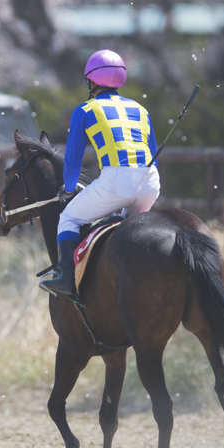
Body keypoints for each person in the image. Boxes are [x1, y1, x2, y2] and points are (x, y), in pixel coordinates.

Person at [38, 49, 160, 300]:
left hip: (117, 182)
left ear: (91, 81)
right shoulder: (141, 109)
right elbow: (153, 152)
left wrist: (69, 189)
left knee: (69, 218)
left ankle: (65, 280)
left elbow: (72, 160)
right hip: (150, 182)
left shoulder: (85, 110)